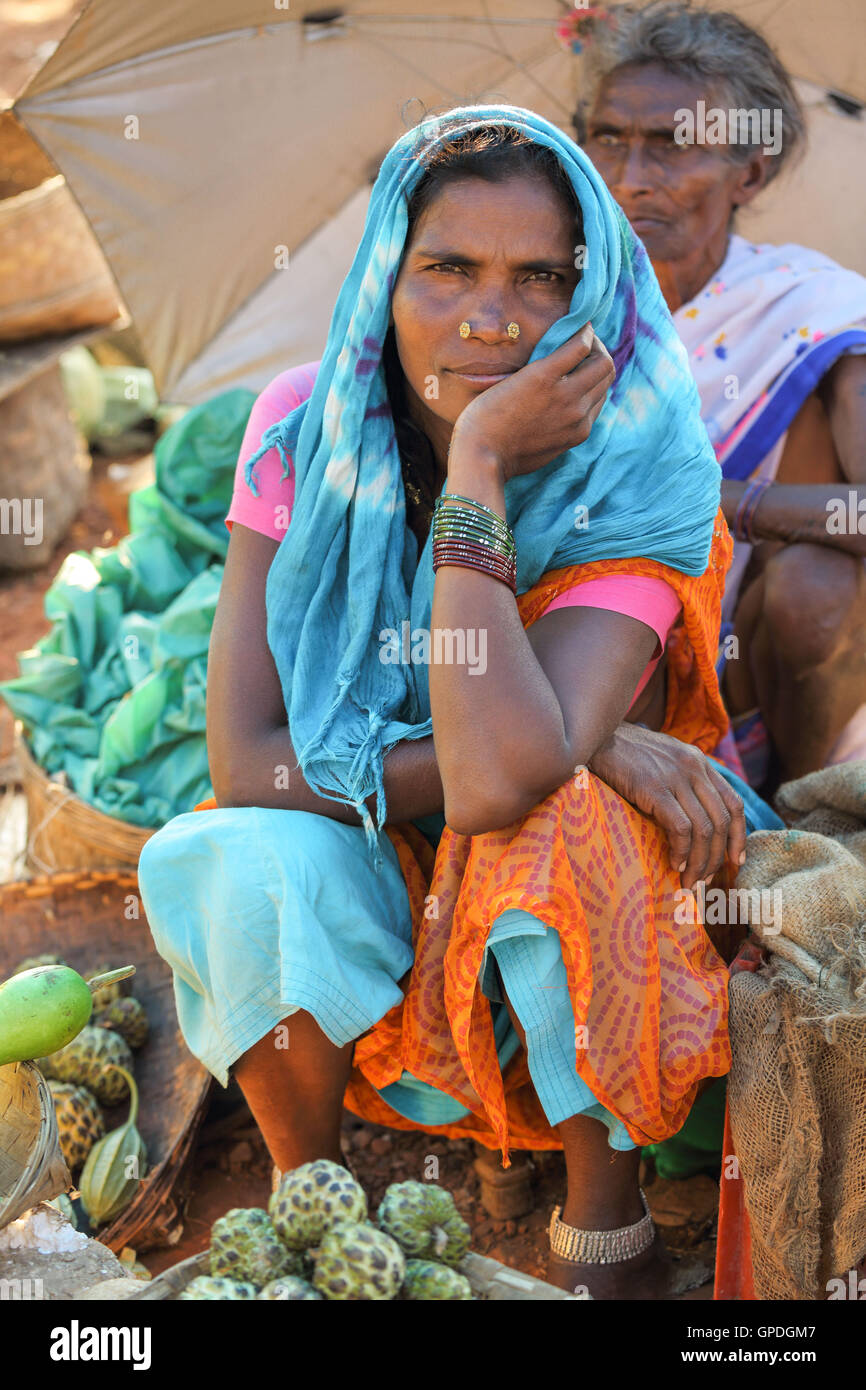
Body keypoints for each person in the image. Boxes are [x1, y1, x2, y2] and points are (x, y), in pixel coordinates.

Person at [138, 104, 780, 1300]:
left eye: (540, 277)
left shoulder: (639, 463)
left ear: (589, 299)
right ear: (385, 273)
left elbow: (503, 782)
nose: (491, 317)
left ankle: (606, 1220)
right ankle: (312, 1199)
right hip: (378, 858)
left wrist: (476, 465)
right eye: (447, 268)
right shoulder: (302, 429)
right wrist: (580, 744)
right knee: (227, 854)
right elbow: (245, 759)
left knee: (552, 816)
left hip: (616, 898)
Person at [572, 1, 866, 791]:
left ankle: (803, 811)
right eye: (608, 139)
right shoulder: (550, 306)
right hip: (591, 659)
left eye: (674, 146)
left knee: (816, 584)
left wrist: (721, 499)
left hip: (764, 682)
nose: (632, 180)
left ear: (751, 172)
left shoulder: (817, 310)